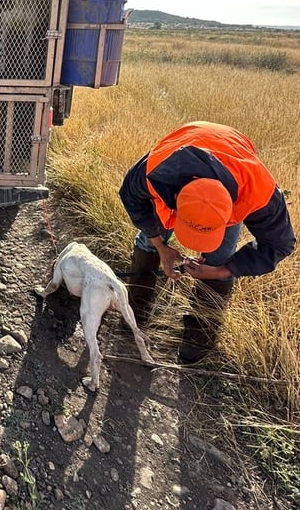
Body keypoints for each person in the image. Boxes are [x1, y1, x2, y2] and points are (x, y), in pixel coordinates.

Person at [120, 121, 295, 363]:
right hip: (189, 141)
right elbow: (130, 197)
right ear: (177, 198)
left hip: (235, 166)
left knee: (220, 258)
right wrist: (161, 246)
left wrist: (221, 270)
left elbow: (281, 244)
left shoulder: (257, 192)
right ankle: (134, 312)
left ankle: (199, 335)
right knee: (149, 242)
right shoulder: (155, 172)